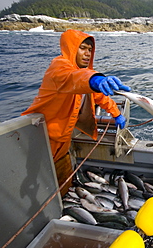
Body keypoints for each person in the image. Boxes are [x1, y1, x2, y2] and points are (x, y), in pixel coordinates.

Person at [22, 29, 131, 196]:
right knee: (36, 183)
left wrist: (116, 114)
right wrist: (96, 79)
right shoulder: (58, 67)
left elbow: (99, 96)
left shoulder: (82, 73)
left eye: (90, 50)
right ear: (71, 48)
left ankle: (63, 201)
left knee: (64, 180)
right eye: (82, 48)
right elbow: (75, 78)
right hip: (41, 138)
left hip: (64, 141)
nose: (87, 54)